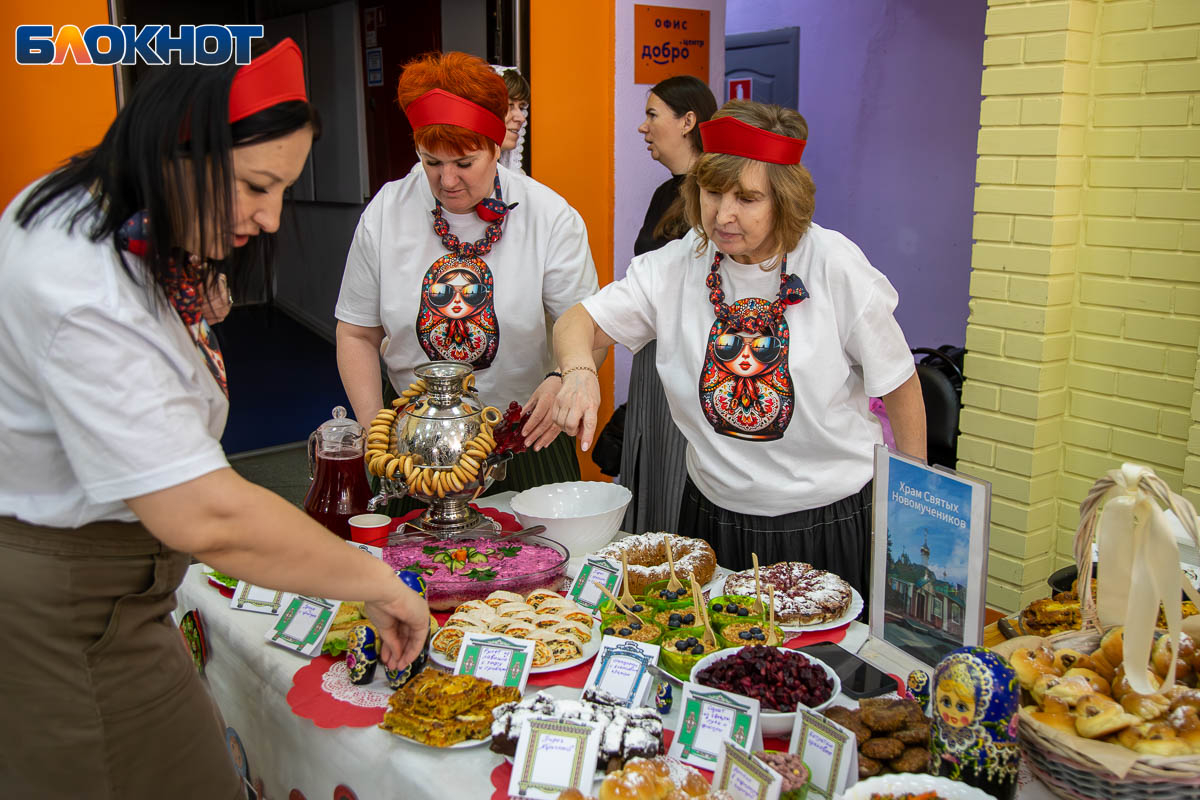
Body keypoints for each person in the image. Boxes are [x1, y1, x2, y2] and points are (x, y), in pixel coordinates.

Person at [0, 40, 428, 798]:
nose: (269, 218)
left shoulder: (103, 211)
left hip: (120, 592)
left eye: (283, 191)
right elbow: (206, 516)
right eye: (256, 186)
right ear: (178, 152)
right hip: (72, 607)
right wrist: (377, 582)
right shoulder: (82, 288)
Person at [551, 100, 926, 602]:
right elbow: (579, 321)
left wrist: (911, 501)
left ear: (784, 201)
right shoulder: (678, 265)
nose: (723, 215)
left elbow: (899, 383)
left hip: (825, 520)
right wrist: (578, 371)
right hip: (712, 516)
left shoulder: (834, 265)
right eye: (712, 193)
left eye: (747, 199)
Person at [335, 51, 600, 500]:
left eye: (464, 163)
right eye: (431, 162)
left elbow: (588, 327)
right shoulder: (387, 211)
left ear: (496, 147)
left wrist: (562, 377)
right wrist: (377, 437)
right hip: (413, 445)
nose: (447, 180)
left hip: (526, 438)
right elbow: (357, 333)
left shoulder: (549, 216)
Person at [620, 75, 717, 537]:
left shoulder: (710, 200)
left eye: (652, 115)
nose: (643, 127)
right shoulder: (666, 194)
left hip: (689, 358)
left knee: (679, 470)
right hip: (651, 356)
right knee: (652, 463)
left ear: (688, 121)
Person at [493, 65, 529, 174]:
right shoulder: (457, 176)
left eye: (521, 108)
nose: (522, 118)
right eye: (510, 105)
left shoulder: (519, 177)